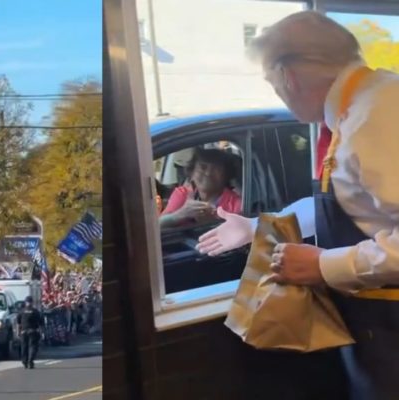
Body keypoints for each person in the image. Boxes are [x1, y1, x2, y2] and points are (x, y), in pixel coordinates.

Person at [196, 11, 399, 400]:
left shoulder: (374, 118)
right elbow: (351, 200)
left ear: (287, 76)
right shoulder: (361, 105)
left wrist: (324, 265)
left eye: (271, 81)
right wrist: (254, 227)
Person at [160, 148, 241, 228]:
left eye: (217, 169)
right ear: (192, 173)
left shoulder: (236, 204)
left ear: (226, 176)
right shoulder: (182, 194)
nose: (208, 173)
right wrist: (181, 214)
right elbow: (157, 226)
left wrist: (211, 222)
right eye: (203, 167)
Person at [16, 296, 43, 369]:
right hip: (33, 331)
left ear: (25, 302)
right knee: (33, 347)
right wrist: (41, 333)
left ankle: (25, 362)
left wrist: (18, 332)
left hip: (24, 332)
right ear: (32, 302)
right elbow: (40, 323)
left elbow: (18, 323)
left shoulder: (21, 311)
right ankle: (30, 360)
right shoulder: (35, 311)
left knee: (24, 347)